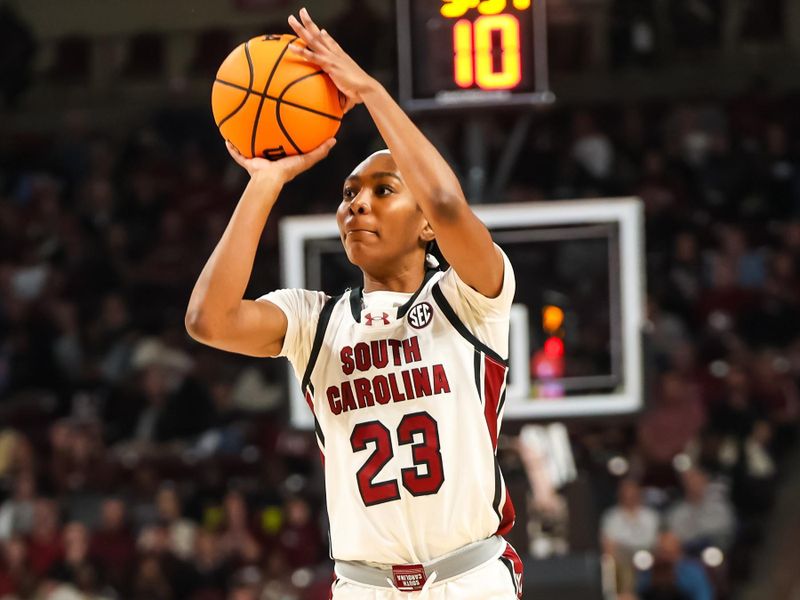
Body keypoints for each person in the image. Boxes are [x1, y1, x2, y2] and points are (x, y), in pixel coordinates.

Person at [185, 8, 523, 599]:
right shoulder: (315, 321)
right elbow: (208, 321)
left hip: (469, 578)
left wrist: (368, 91)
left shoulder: (468, 299)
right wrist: (264, 182)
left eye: (383, 190)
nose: (357, 205)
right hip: (364, 586)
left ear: (425, 228)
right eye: (348, 194)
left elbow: (445, 200)